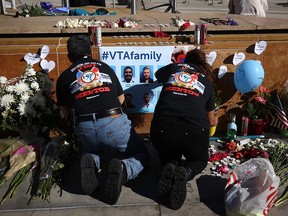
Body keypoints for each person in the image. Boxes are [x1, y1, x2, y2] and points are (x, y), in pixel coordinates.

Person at [56, 35, 150, 205]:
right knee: (142, 154)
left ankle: (91, 159)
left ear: (69, 56)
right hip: (113, 123)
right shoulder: (105, 67)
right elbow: (121, 100)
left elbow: (65, 114)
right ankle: (124, 169)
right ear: (90, 52)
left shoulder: (63, 77)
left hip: (85, 129)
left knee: (95, 146)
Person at [150, 48, 218, 210]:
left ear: (185, 61)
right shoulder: (207, 83)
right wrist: (216, 119)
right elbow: (211, 121)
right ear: (203, 65)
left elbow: (158, 76)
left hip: (162, 127)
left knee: (169, 154)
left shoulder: (174, 69)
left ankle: (171, 164)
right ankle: (185, 171)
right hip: (193, 130)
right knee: (199, 160)